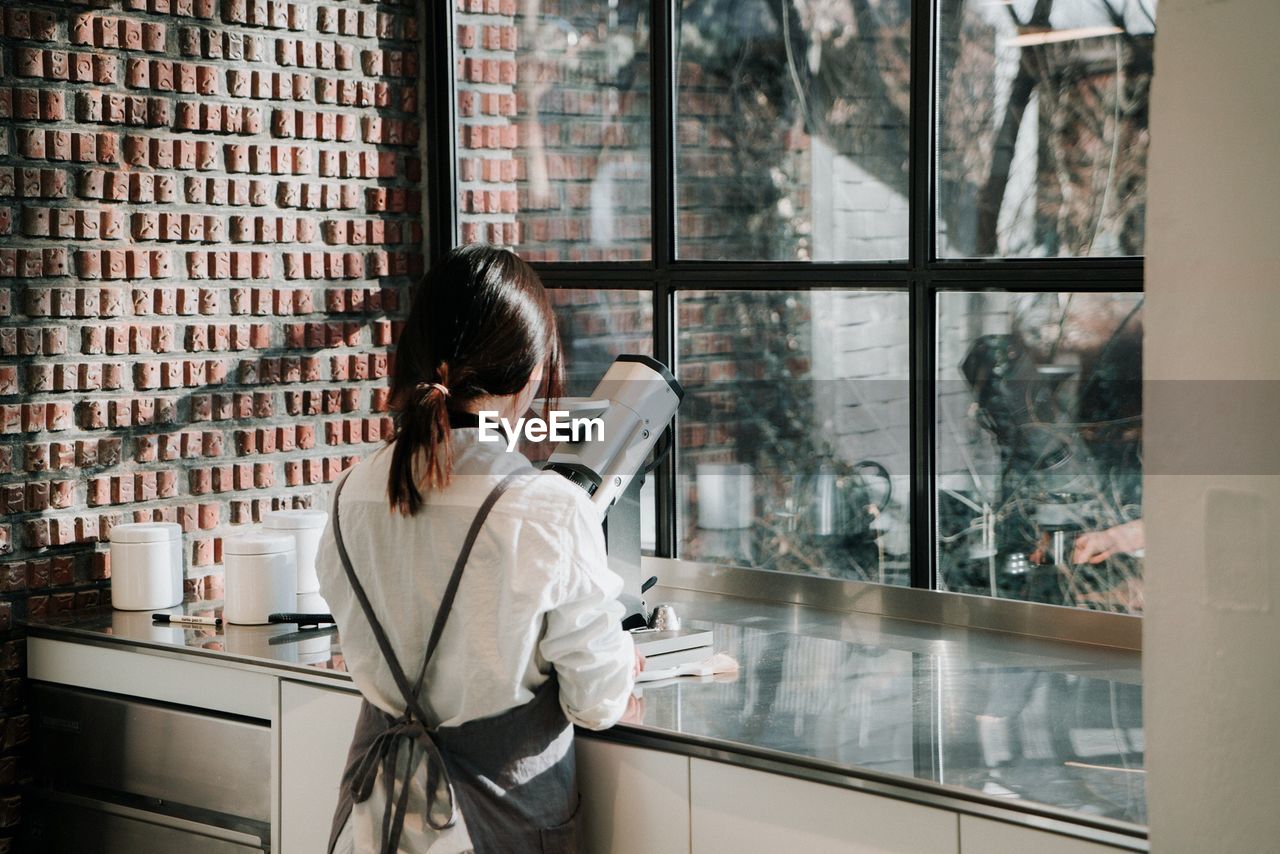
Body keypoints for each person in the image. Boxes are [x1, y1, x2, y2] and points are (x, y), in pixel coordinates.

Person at [316, 244, 641, 853]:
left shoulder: (349, 494)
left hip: (375, 824)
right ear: (528, 372)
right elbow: (597, 700)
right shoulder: (546, 508)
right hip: (497, 828)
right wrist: (623, 664)